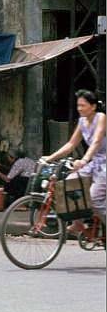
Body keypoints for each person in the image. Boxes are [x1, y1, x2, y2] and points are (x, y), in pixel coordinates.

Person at [41, 89, 106, 231]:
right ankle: (78, 222)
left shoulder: (101, 117)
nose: (79, 109)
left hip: (104, 164)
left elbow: (96, 141)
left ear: (93, 106)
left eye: (83, 105)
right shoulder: (82, 122)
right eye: (78, 105)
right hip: (95, 162)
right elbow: (71, 144)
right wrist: (50, 158)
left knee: (95, 199)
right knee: (70, 182)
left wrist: (83, 160)